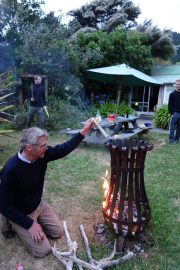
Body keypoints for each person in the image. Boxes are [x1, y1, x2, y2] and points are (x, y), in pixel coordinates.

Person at [0, 119, 94, 257]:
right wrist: (29, 224)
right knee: (43, 251)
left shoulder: (41, 156)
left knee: (58, 232)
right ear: (29, 147)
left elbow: (63, 149)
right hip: (22, 212)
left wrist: (83, 132)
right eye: (43, 145)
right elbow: (4, 206)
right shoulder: (11, 170)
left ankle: (35, 221)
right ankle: (12, 223)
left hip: (38, 205)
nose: (47, 148)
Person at [168, 79, 180, 143]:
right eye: (177, 84)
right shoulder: (172, 94)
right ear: (175, 85)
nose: (178, 86)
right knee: (172, 127)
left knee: (179, 128)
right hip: (175, 113)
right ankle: (171, 139)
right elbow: (170, 105)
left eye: (179, 84)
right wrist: (171, 113)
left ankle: (177, 139)